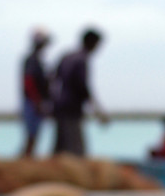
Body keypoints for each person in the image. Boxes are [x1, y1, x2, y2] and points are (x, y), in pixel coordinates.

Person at [52, 28, 108, 157]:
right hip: (71, 108)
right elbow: (82, 86)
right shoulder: (82, 60)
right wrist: (97, 110)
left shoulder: (67, 56)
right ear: (91, 42)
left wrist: (51, 101)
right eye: (97, 44)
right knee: (76, 150)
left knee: (60, 147)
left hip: (59, 107)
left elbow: (53, 79)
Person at [20, 27, 51, 158]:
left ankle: (27, 160)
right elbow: (29, 82)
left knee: (34, 136)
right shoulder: (32, 60)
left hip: (36, 102)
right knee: (31, 136)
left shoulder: (38, 60)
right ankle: (24, 163)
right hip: (32, 103)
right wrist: (37, 102)